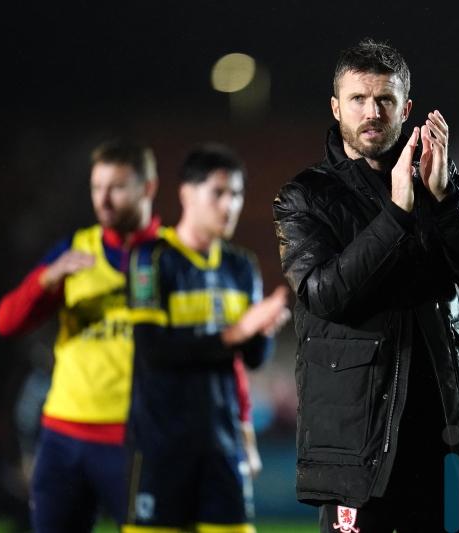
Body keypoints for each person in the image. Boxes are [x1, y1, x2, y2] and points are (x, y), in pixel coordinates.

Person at [272, 39, 459, 533]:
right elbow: (326, 295)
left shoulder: (436, 181)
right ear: (336, 107)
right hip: (361, 454)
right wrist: (396, 214)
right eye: (358, 99)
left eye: (385, 99)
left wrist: (447, 201)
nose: (372, 112)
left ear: (407, 108)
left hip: (446, 444)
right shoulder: (305, 198)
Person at [0, 140, 160, 531]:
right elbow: (6, 322)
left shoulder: (171, 255)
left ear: (148, 188)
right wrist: (46, 280)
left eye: (116, 187)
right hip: (64, 439)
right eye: (96, 187)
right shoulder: (74, 252)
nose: (103, 200)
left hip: (137, 441)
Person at [123, 143, 290, 532]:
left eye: (236, 194)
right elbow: (154, 351)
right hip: (162, 447)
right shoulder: (150, 258)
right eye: (218, 192)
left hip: (222, 444)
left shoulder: (241, 266)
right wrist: (240, 330)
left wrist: (260, 330)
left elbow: (253, 359)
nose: (229, 205)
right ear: (186, 193)